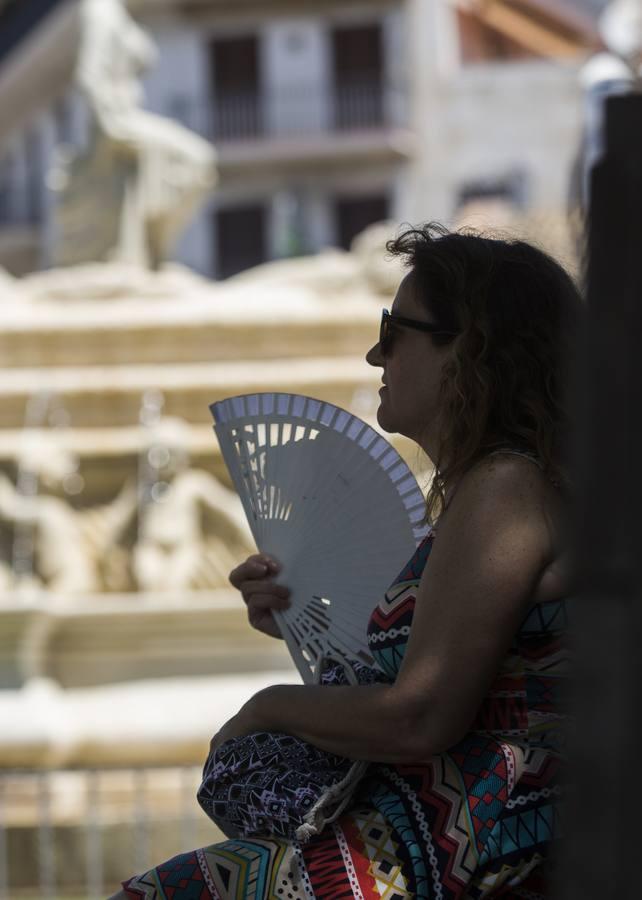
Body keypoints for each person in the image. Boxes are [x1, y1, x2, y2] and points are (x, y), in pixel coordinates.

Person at [113, 223, 581, 899]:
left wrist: (271, 707)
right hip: (482, 830)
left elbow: (421, 715)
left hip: (487, 842)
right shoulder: (508, 487)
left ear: (469, 349)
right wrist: (308, 615)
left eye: (394, 332)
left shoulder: (505, 486)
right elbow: (456, 666)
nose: (373, 355)